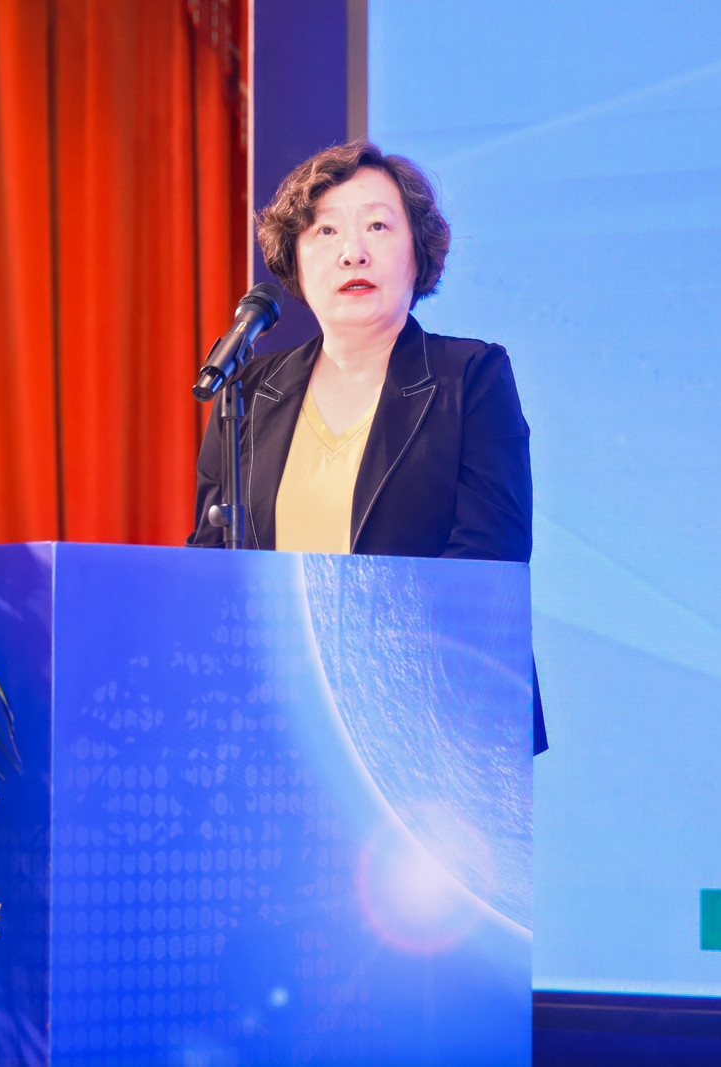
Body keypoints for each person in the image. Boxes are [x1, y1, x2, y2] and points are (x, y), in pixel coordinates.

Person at [187, 139, 546, 752]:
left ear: (418, 253)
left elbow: (488, 560)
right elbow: (208, 559)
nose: (352, 251)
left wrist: (356, 677)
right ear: (295, 260)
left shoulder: (471, 376)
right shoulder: (249, 390)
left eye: (378, 226)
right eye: (325, 231)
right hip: (275, 724)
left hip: (433, 724)